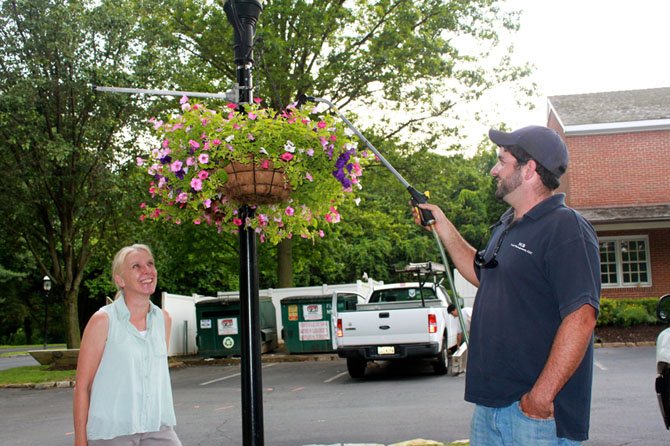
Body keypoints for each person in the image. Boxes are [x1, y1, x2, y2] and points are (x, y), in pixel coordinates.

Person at [415, 125, 601, 445]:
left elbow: (581, 317)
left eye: (502, 161)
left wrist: (539, 398)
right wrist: (442, 225)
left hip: (533, 416)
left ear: (529, 170)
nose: (493, 169)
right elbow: (482, 274)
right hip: (491, 409)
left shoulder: (565, 228)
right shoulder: (507, 225)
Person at [73, 244, 181, 446]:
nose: (147, 270)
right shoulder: (102, 321)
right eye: (136, 266)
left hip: (157, 428)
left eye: (150, 264)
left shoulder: (163, 320)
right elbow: (82, 386)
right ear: (120, 280)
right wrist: (80, 441)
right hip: (113, 432)